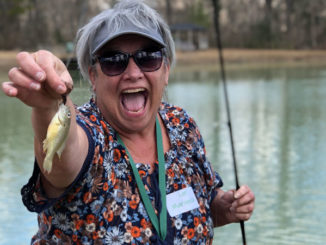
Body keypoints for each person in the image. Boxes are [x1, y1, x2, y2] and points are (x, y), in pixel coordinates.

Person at [2, 0, 255, 244]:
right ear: (93, 75)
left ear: (165, 70)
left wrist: (220, 207)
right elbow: (64, 155)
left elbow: (199, 202)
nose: (133, 73)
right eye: (114, 61)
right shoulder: (91, 132)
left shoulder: (182, 125)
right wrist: (50, 104)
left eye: (148, 57)